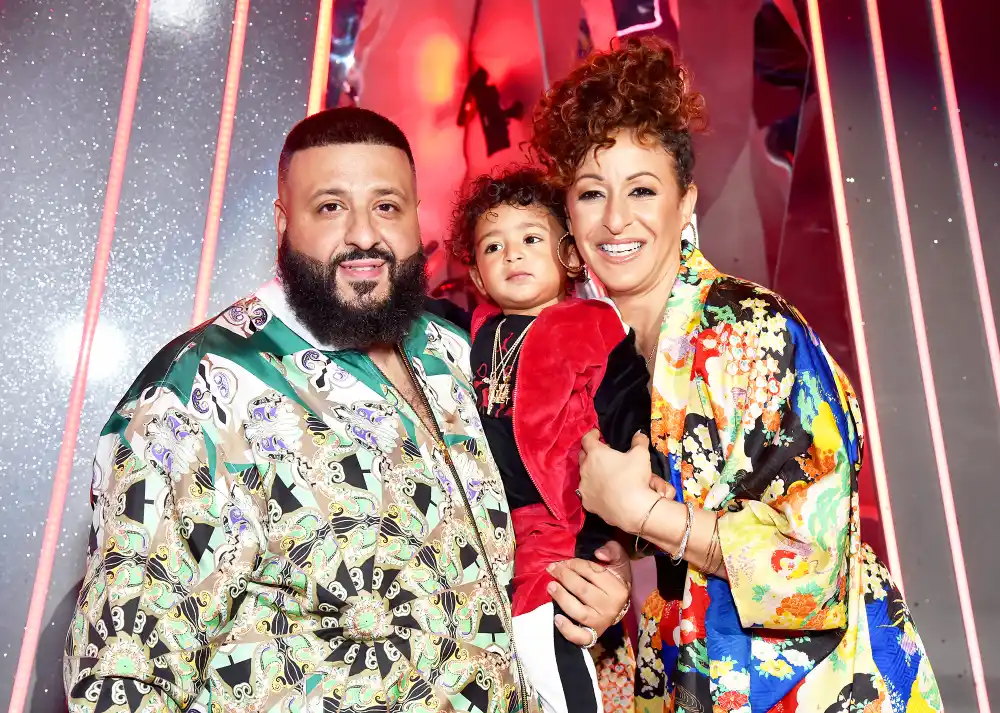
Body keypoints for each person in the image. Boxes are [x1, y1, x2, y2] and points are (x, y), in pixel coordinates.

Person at [63, 107, 630, 713]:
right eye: (330, 206)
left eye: (386, 205)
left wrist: (603, 582)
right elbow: (120, 673)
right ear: (284, 222)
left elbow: (543, 509)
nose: (364, 234)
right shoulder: (198, 391)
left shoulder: (462, 352)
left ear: (416, 218)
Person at [532, 39, 942, 713]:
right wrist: (608, 570)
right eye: (590, 193)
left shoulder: (750, 330)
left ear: (685, 202)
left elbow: (814, 566)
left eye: (642, 189)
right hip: (693, 680)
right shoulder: (600, 351)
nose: (615, 219)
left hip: (821, 687)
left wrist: (647, 514)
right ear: (568, 217)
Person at [440, 167, 663, 713]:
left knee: (548, 640)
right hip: (498, 534)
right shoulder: (470, 331)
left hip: (566, 521)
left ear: (567, 256)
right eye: (494, 246)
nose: (513, 255)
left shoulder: (591, 324)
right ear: (477, 273)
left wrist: (641, 458)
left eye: (531, 239)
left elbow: (626, 400)